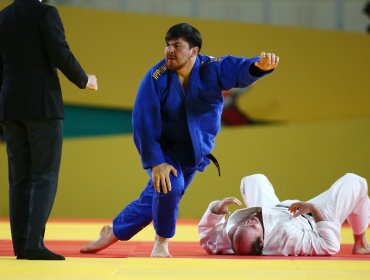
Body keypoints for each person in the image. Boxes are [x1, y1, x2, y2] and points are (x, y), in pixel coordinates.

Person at [80, 23, 279, 257]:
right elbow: (143, 123)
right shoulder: (155, 78)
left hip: (196, 149)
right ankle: (161, 243)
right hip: (164, 150)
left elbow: (236, 69)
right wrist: (156, 162)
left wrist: (257, 67)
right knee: (169, 188)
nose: (169, 51)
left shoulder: (210, 68)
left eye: (177, 45)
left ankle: (112, 231)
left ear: (194, 52)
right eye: (167, 45)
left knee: (153, 199)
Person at [0, 0, 98, 260]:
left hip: (10, 106)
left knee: (18, 179)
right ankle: (34, 244)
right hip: (42, 105)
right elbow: (60, 52)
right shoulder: (46, 13)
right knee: (44, 175)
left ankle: (20, 246)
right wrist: (83, 79)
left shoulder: (4, 16)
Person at [198, 173, 370, 256]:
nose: (248, 221)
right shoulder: (288, 239)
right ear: (262, 240)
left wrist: (215, 210)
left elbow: (207, 239)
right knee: (355, 182)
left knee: (253, 179)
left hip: (273, 209)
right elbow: (330, 245)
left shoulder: (232, 238)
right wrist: (314, 210)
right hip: (309, 217)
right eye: (252, 225)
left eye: (243, 224)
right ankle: (360, 242)